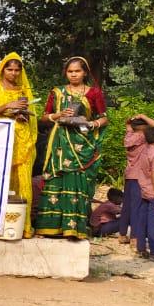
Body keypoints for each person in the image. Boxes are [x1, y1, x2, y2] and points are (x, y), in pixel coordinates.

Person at [33, 56, 108, 240]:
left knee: (77, 181)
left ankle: (75, 229)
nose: (73, 75)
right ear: (65, 73)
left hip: (82, 144)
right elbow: (43, 117)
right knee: (54, 179)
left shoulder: (93, 93)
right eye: (70, 71)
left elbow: (104, 117)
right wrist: (59, 115)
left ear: (85, 73)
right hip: (60, 143)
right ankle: (50, 228)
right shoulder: (57, 92)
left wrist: (92, 125)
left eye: (77, 71)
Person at [0, 53, 38, 238]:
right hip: (1, 138)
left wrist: (22, 114)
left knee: (23, 183)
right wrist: (6, 107)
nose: (13, 73)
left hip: (22, 138)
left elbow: (31, 113)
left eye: (17, 70)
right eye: (10, 69)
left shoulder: (24, 89)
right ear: (2, 69)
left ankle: (22, 227)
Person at [120, 114, 154, 244]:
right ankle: (135, 236)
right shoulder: (142, 137)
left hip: (129, 174)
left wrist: (128, 125)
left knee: (127, 206)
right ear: (142, 127)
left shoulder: (129, 136)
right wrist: (143, 116)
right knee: (137, 206)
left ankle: (122, 234)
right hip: (138, 176)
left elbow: (129, 128)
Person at [133, 127, 154, 260]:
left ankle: (141, 249)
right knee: (153, 224)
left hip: (144, 190)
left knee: (142, 221)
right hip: (153, 192)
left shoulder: (144, 151)